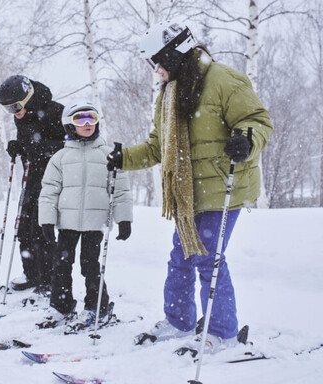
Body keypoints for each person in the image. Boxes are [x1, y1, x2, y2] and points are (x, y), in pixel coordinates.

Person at [106, 21, 273, 352]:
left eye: (158, 61)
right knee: (181, 257)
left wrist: (245, 139)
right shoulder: (168, 94)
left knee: (208, 258)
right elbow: (158, 147)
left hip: (226, 185)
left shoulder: (225, 79)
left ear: (176, 54)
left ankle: (223, 332)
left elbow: (257, 120)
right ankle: (179, 321)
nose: (156, 70)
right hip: (188, 193)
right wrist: (123, 158)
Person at [37, 100, 133, 329]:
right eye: (81, 119)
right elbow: (49, 191)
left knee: (90, 266)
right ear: (70, 124)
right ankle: (61, 306)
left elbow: (121, 190)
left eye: (92, 117)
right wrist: (47, 221)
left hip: (95, 223)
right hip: (67, 223)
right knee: (61, 264)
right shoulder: (60, 158)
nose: (88, 123)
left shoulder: (108, 155)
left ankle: (96, 307)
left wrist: (124, 219)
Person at [0, 75, 65, 293]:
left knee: (40, 229)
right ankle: (31, 275)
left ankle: (48, 281)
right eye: (8, 109)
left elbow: (71, 146)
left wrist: (44, 148)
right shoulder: (21, 116)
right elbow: (27, 145)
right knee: (23, 227)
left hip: (54, 179)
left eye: (16, 106)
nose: (14, 112)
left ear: (29, 96)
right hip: (33, 176)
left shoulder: (56, 111)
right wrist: (18, 146)